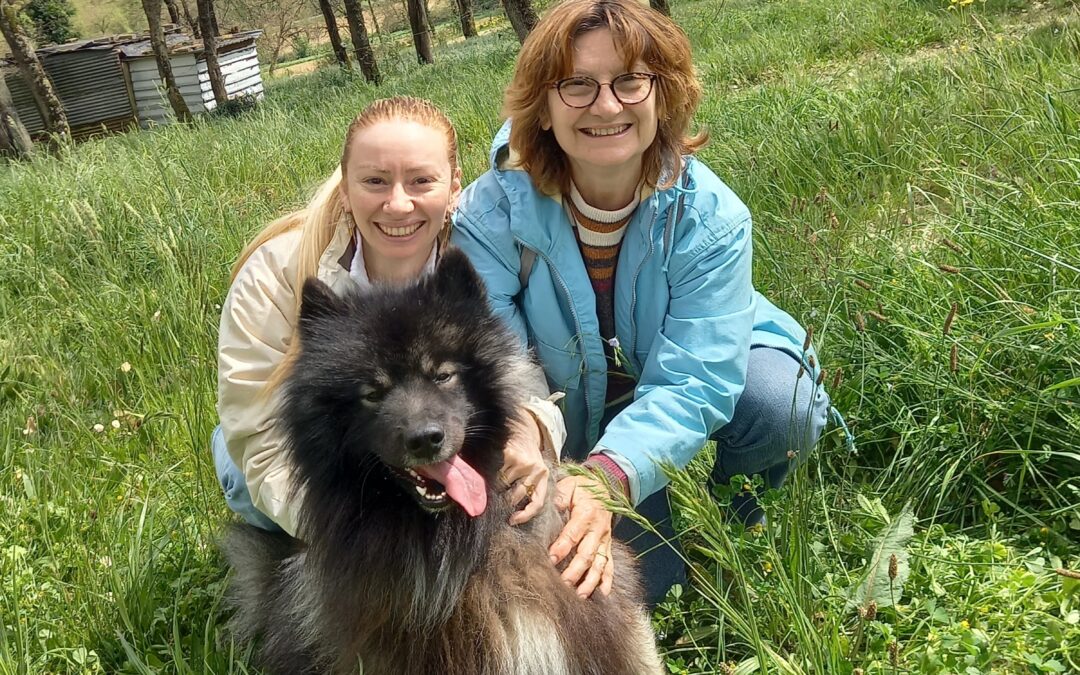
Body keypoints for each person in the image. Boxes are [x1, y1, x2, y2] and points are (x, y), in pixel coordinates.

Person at [452, 0, 839, 605]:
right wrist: (523, 434)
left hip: (683, 385)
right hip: (561, 417)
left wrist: (608, 478)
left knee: (778, 403)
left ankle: (735, 519)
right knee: (645, 592)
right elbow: (488, 354)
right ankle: (658, 526)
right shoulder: (488, 215)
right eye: (576, 85)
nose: (606, 106)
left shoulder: (712, 218)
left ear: (664, 96)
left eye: (630, 81)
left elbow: (699, 379)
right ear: (544, 110)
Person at [212, 96, 565, 537]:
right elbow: (259, 441)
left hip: (446, 428)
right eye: (376, 181)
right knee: (239, 470)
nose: (398, 205)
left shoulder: (478, 255)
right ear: (345, 187)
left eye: (420, 181)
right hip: (320, 456)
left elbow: (516, 374)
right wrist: (347, 533)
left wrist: (532, 432)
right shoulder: (274, 273)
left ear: (455, 186)